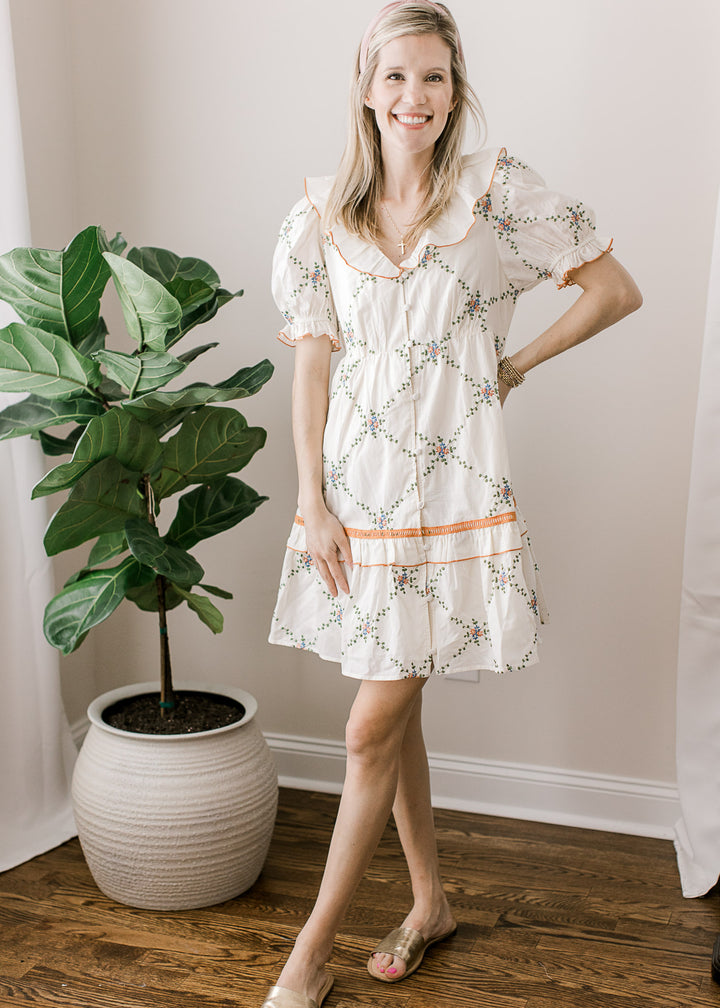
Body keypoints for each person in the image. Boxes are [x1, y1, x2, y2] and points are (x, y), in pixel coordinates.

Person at [264, 3, 642, 1005]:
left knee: (365, 728)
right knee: (395, 709)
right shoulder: (319, 217)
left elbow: (612, 289)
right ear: (364, 84)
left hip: (454, 495)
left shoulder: (495, 194)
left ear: (455, 88)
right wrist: (314, 502)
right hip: (355, 500)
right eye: (396, 77)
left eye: (434, 78)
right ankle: (429, 903)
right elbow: (312, 374)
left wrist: (508, 366)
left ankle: (308, 956)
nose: (414, 98)